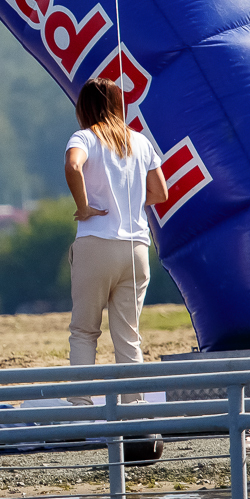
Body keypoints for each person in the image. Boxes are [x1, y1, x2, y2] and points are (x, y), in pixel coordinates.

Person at [61, 78, 167, 410]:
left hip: (96, 242)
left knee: (84, 331)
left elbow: (73, 165)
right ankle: (134, 407)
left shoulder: (84, 137)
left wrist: (83, 206)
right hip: (136, 249)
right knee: (128, 334)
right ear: (118, 106)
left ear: (84, 107)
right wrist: (130, 199)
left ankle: (81, 404)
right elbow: (160, 192)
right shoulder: (141, 142)